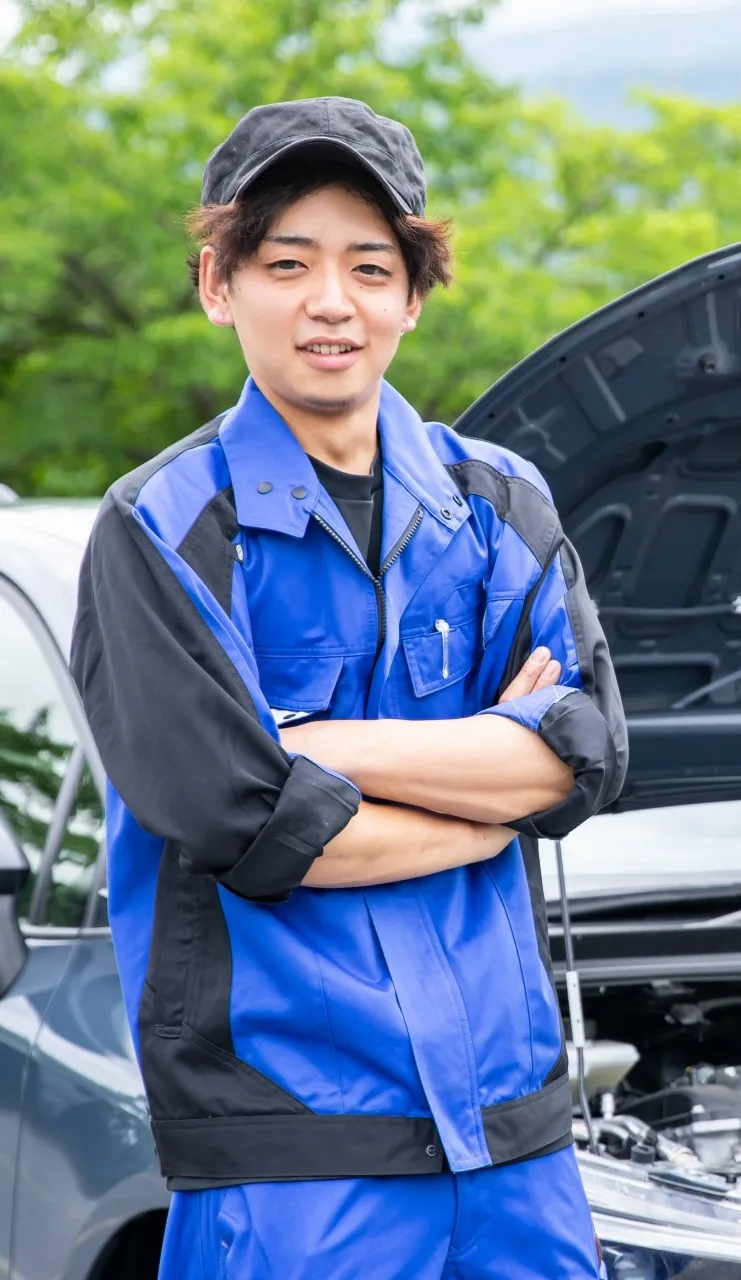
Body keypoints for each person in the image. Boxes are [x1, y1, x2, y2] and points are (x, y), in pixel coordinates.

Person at [69, 96, 627, 1279]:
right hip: (295, 1153)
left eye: (370, 267)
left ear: (412, 296)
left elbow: (584, 759)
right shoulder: (164, 530)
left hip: (517, 1141)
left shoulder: (499, 503)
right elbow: (266, 828)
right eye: (288, 263)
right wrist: (493, 782)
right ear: (219, 284)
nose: (333, 300)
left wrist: (328, 745)